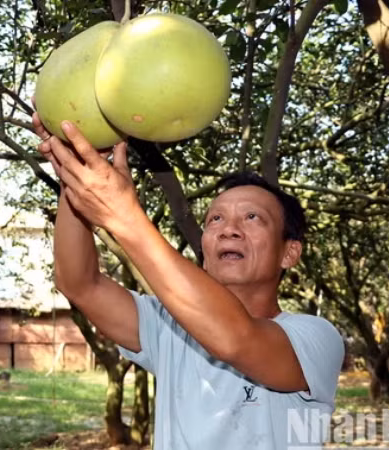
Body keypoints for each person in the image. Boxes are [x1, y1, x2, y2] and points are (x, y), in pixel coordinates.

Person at [32, 114, 344, 449]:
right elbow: (80, 284)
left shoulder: (316, 338)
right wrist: (76, 177)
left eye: (252, 217)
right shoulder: (169, 326)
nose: (229, 229)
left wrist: (124, 216)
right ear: (204, 246)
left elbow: (236, 338)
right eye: (216, 219)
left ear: (289, 253)